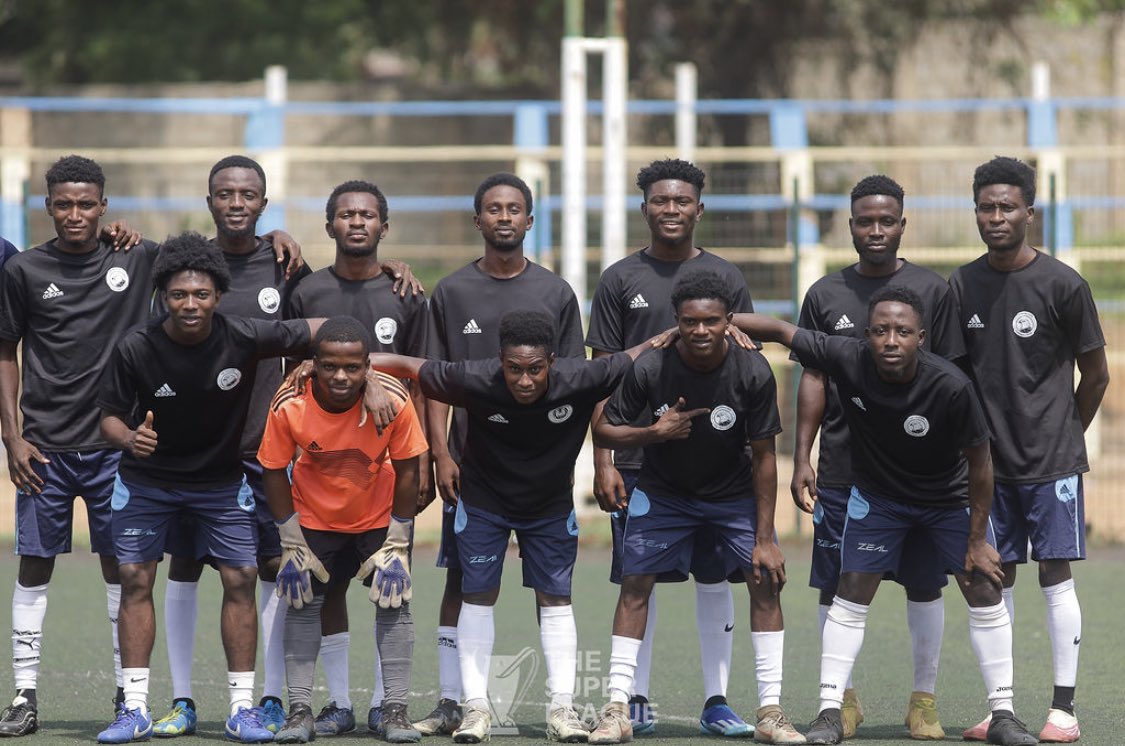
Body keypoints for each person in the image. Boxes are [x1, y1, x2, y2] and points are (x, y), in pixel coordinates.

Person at [723, 285, 1036, 746]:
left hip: (948, 500)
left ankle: (1004, 715)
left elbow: (981, 464)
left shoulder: (951, 386)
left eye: (903, 331)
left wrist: (975, 540)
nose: (892, 340)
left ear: (922, 337)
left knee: (984, 585)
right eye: (882, 331)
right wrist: (725, 322)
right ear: (866, 335)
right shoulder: (846, 357)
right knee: (849, 590)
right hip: (879, 499)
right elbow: (779, 329)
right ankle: (830, 712)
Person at [371, 309, 669, 744]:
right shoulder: (474, 378)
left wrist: (678, 330)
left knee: (556, 599)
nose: (524, 380)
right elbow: (406, 366)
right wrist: (350, 365)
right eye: (514, 370)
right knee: (477, 595)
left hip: (548, 506)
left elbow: (639, 351)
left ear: (551, 360)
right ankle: (475, 709)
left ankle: (562, 709)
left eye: (535, 369)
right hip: (484, 502)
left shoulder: (583, 377)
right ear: (499, 362)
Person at [94, 232, 323, 744]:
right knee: (134, 578)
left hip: (220, 483)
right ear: (163, 298)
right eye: (178, 295)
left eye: (200, 294)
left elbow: (327, 327)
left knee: (241, 578)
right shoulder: (137, 345)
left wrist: (332, 362)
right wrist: (130, 438)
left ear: (218, 295)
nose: (190, 304)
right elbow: (107, 417)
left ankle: (242, 709)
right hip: (147, 482)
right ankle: (133, 708)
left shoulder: (243, 335)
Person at [589, 271, 802, 745]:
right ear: (677, 321)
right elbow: (604, 430)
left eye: (711, 321)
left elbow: (766, 457)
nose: (700, 330)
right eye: (690, 321)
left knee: (766, 580)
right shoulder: (649, 368)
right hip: (664, 494)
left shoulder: (752, 370)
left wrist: (767, 538)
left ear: (729, 321)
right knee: (635, 584)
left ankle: (771, 711)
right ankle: (617, 708)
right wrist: (652, 434)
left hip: (731, 496)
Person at [585, 158, 758, 737]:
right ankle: (632, 699)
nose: (671, 210)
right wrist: (603, 461)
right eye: (661, 201)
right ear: (645, 208)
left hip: (717, 464)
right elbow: (601, 376)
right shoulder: (618, 280)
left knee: (717, 578)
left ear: (699, 209)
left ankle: (717, 701)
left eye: (682, 201)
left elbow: (747, 360)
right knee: (642, 577)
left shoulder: (727, 278)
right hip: (640, 457)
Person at [790, 174, 965, 739]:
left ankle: (924, 699)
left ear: (902, 225)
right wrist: (802, 455)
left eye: (886, 220)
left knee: (924, 583)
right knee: (834, 583)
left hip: (919, 476)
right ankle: (840, 701)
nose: (875, 230)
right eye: (865, 221)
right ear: (850, 226)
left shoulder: (933, 291)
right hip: (845, 467)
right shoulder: (824, 293)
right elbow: (812, 377)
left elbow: (948, 380)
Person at [417, 172, 585, 737]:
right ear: (478, 221)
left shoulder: (556, 293)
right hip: (472, 469)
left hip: (542, 475)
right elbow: (434, 383)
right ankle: (455, 702)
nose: (505, 217)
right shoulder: (452, 292)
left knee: (553, 590)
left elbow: (577, 382)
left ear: (530, 221)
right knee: (462, 582)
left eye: (515, 208)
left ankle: (562, 706)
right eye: (494, 209)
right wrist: (441, 453)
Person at [152, 154, 312, 737]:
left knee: (268, 565)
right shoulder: (185, 266)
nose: (237, 203)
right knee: (187, 564)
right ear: (210, 200)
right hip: (194, 451)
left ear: (264, 205)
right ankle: (183, 699)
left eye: (248, 195)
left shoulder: (285, 264)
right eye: (225, 194)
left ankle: (268, 697)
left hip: (264, 448)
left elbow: (313, 337)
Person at [950, 156, 1109, 744]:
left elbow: (1095, 376)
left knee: (1055, 575)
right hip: (987, 467)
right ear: (976, 213)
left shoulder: (1064, 284)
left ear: (1029, 213)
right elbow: (955, 378)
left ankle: (1063, 710)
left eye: (1007, 207)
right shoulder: (961, 285)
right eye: (986, 208)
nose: (996, 217)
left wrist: (1065, 433)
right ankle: (1003, 711)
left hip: (1051, 465)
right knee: (994, 579)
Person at [0, 155, 156, 736]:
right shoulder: (24, 270)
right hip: (44, 450)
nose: (74, 214)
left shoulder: (135, 257)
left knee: (123, 571)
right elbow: (5, 351)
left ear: (104, 206)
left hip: (117, 450)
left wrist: (280, 237)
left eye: (85, 203)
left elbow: (215, 259)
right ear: (47, 207)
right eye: (63, 204)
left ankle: (127, 694)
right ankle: (23, 696)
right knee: (34, 566)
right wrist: (12, 437)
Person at [286, 179, 428, 737]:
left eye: (367, 215)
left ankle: (390, 706)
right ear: (329, 227)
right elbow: (294, 379)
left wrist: (429, 464)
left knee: (392, 590)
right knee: (323, 589)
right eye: (345, 214)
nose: (357, 222)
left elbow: (423, 375)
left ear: (384, 227)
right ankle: (337, 704)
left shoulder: (406, 292)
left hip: (388, 472)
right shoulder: (306, 292)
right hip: (320, 477)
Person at [257, 316, 428, 745]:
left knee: (395, 599)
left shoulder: (393, 400)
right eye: (330, 366)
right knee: (302, 599)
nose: (341, 376)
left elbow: (409, 469)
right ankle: (300, 711)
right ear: (312, 364)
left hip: (378, 516)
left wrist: (399, 540)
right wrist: (290, 539)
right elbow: (274, 470)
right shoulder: (288, 402)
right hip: (314, 518)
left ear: (368, 366)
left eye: (353, 368)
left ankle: (395, 710)